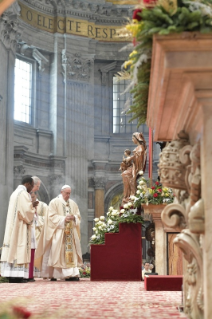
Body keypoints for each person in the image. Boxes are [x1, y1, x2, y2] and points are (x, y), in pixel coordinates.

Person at [35, 185, 83, 281]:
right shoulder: (54, 202)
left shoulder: (73, 204)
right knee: (59, 254)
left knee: (71, 254)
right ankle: (57, 274)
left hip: (71, 233)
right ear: (62, 192)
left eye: (69, 193)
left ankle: (72, 274)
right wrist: (63, 219)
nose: (68, 195)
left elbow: (78, 215)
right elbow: (51, 217)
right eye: (66, 193)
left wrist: (74, 218)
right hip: (59, 232)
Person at [1, 176, 39, 283]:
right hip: (20, 227)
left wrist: (30, 205)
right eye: (32, 185)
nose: (32, 188)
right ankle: (16, 276)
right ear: (27, 183)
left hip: (14, 226)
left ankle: (12, 275)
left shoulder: (14, 193)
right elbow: (25, 212)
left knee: (14, 249)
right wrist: (32, 207)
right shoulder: (23, 194)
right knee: (18, 249)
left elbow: (21, 209)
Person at [122, 132, 147, 203]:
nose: (132, 140)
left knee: (127, 175)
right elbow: (136, 157)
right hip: (134, 165)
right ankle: (127, 195)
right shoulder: (138, 148)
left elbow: (139, 159)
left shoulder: (141, 148)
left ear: (137, 139)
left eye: (133, 138)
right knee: (124, 174)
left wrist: (131, 158)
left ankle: (132, 194)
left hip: (136, 167)